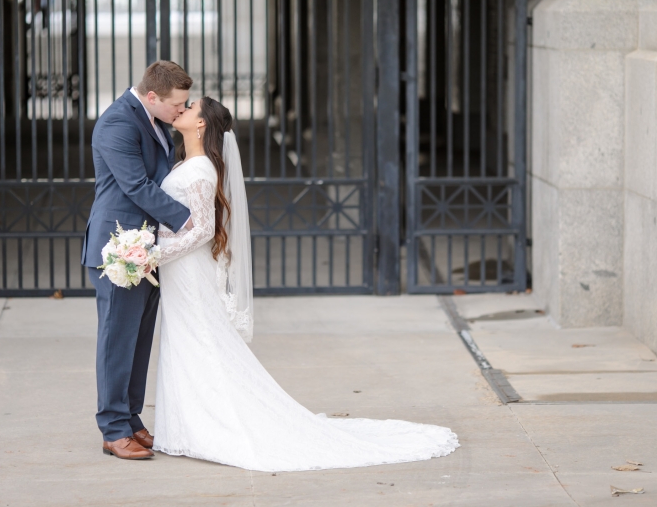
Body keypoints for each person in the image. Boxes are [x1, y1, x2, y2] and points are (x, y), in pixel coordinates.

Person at [151, 96, 460, 472]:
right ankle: (186, 425)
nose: (181, 108)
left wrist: (153, 255)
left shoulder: (200, 171)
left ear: (201, 125)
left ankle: (212, 426)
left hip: (185, 267)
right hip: (179, 270)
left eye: (190, 107)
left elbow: (200, 231)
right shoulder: (186, 161)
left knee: (200, 340)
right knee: (184, 339)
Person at [81, 61, 195, 460]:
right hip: (119, 248)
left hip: (149, 248)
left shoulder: (155, 119)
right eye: (176, 105)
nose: (181, 111)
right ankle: (113, 430)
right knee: (117, 340)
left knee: (140, 340)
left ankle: (130, 418)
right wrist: (190, 219)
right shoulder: (118, 123)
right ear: (152, 96)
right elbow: (136, 185)